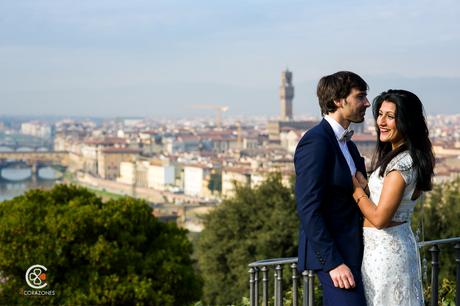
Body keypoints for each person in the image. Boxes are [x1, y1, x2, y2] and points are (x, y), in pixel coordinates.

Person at [352, 89, 435, 306]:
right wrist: (366, 189)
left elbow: (380, 219)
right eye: (380, 114)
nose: (382, 121)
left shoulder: (401, 166)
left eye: (390, 116)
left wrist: (355, 190)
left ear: (407, 121)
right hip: (390, 248)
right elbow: (387, 204)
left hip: (385, 254)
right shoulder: (406, 159)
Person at [294, 71, 370, 305]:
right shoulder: (316, 141)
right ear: (338, 100)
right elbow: (308, 208)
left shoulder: (349, 146)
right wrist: (333, 262)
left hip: (354, 252)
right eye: (360, 97)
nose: (367, 103)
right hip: (334, 257)